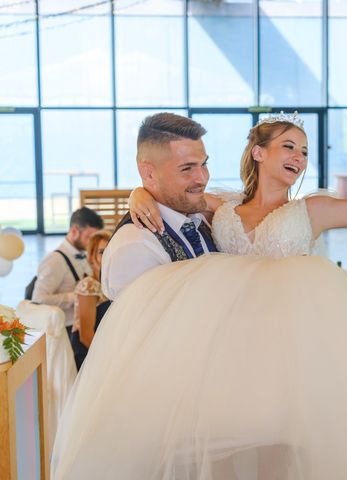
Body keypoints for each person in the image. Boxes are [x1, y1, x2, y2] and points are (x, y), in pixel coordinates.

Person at [52, 112, 347, 479]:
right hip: (233, 352)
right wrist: (140, 191)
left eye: (303, 151)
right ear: (258, 152)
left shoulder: (313, 209)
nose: (299, 158)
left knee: (303, 440)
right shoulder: (222, 205)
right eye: (288, 146)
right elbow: (173, 189)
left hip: (297, 342)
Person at [101, 113, 217, 300]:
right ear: (149, 174)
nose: (202, 178)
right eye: (187, 168)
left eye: (204, 164)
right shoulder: (135, 245)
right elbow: (143, 326)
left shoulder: (199, 217)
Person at [32, 207, 103, 337]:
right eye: (89, 237)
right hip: (67, 331)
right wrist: (76, 297)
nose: (92, 243)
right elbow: (38, 299)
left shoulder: (85, 254)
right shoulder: (55, 260)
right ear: (75, 231)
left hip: (87, 324)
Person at [70, 230, 111, 370]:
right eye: (101, 252)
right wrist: (106, 358)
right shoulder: (89, 285)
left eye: (109, 250)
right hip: (88, 350)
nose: (107, 255)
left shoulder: (113, 284)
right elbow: (86, 335)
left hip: (105, 345)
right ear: (92, 256)